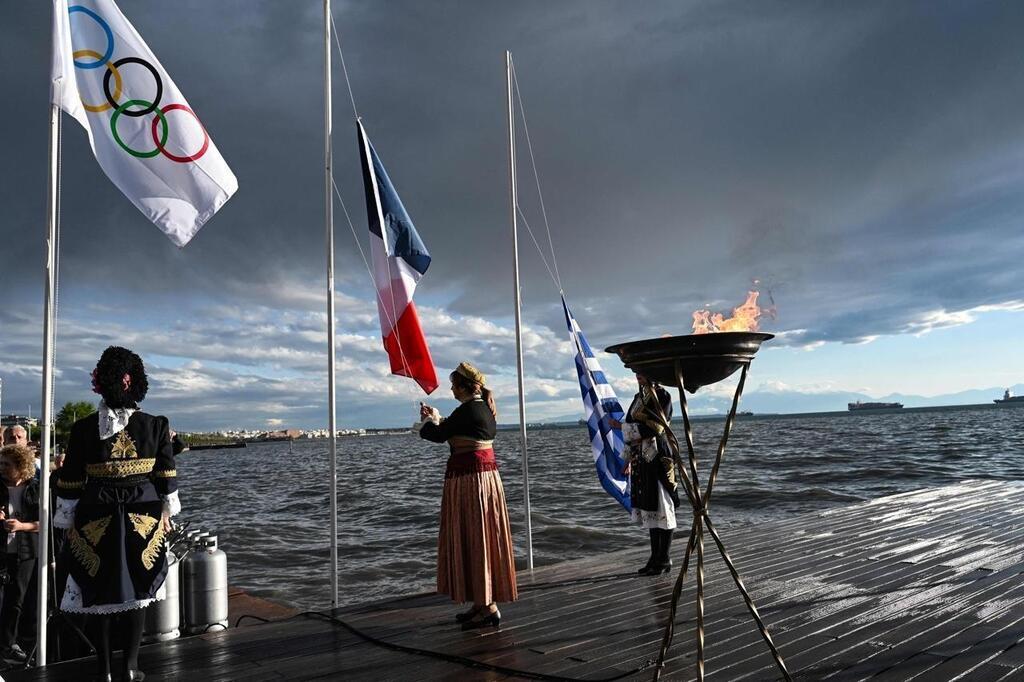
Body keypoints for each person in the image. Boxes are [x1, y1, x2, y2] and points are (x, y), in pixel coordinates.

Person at [54, 347, 179, 681]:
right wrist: (167, 513)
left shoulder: (82, 429)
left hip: (96, 515)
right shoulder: (155, 425)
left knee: (98, 594)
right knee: (138, 592)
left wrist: (66, 521)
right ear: (134, 381)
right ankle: (130, 667)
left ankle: (105, 669)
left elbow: (70, 481)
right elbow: (167, 478)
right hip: (144, 518)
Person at [416, 362, 517, 629]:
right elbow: (453, 428)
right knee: (481, 537)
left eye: (453, 385)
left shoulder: (468, 410)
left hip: (470, 481)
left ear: (463, 387)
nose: (451, 389)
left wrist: (428, 419)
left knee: (474, 536)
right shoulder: (482, 408)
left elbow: (436, 435)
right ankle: (481, 603)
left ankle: (487, 607)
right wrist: (436, 417)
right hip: (484, 479)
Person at [612, 373, 682, 576]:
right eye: (635, 372)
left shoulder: (663, 396)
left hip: (657, 456)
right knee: (650, 507)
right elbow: (631, 432)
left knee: (662, 505)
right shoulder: (637, 398)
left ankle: (665, 557)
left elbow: (657, 427)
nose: (637, 376)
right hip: (640, 459)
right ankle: (654, 557)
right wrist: (626, 460)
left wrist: (621, 427)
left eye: (641, 372)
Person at [0, 444, 41, 664]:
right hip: (3, 551)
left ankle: (10, 645)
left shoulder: (36, 489)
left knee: (18, 598)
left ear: (21, 466)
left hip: (26, 552)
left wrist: (21, 526)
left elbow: (46, 523)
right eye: (1, 463)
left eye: (7, 464)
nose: (2, 468)